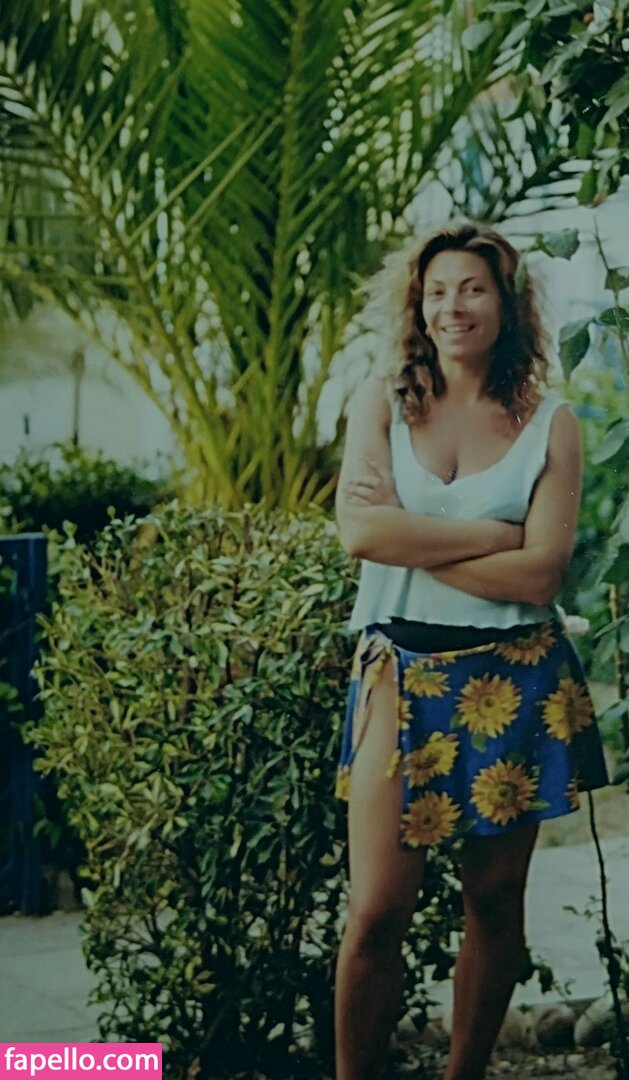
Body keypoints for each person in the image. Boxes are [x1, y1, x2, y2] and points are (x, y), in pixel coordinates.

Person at [333, 222, 609, 1080]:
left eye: (473, 289)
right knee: (376, 910)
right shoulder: (381, 401)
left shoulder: (549, 422)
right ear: (418, 304)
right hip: (398, 675)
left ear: (506, 304)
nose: (453, 306)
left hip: (514, 675)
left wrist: (409, 538)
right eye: (438, 290)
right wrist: (493, 535)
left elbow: (541, 574)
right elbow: (359, 532)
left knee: (492, 904)